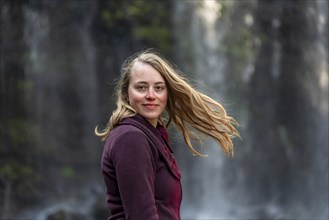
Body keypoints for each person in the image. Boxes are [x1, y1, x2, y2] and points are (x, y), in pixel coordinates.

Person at [95, 49, 240, 220]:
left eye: (159, 88)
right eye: (141, 87)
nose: (151, 95)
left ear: (167, 93)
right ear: (127, 92)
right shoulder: (131, 138)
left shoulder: (148, 134)